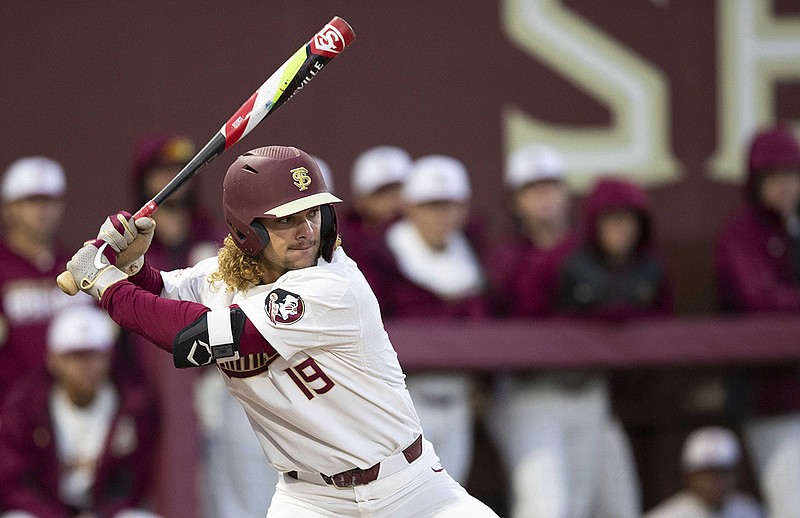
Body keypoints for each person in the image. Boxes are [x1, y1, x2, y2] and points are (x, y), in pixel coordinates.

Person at [63, 145, 499, 518]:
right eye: (285, 219)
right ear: (246, 231)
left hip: (408, 490)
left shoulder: (334, 284)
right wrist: (132, 266)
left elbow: (197, 336)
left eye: (312, 213)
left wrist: (103, 283)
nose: (306, 231)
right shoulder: (226, 275)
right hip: (310, 499)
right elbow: (162, 293)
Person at [495, 176, 672, 518]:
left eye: (629, 219)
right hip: (535, 391)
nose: (621, 228)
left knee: (577, 506)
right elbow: (519, 322)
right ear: (594, 223)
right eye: (611, 219)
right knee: (546, 507)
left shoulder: (648, 266)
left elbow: (663, 322)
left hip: (591, 390)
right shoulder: (562, 259)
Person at [130, 134, 274, 518]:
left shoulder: (219, 240)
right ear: (143, 178)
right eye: (163, 171)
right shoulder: (135, 247)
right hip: (149, 394)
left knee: (233, 500)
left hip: (221, 385)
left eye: (182, 170)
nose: (174, 179)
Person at [358, 155, 490, 486]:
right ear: (410, 207)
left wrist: (483, 382)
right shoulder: (382, 257)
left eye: (451, 205)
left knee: (448, 503)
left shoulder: (473, 253)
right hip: (404, 404)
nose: (442, 216)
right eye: (432, 205)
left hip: (458, 400)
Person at [0, 305, 160, 518]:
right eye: (75, 356)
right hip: (47, 512)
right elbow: (15, 481)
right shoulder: (26, 408)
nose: (85, 366)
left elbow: (136, 480)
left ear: (109, 357)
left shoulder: (131, 406)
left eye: (94, 355)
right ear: (53, 360)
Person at [714, 125, 800, 518]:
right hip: (769, 396)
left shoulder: (794, 228)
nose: (786, 187)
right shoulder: (741, 231)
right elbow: (759, 297)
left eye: (792, 176)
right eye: (775, 177)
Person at [0, 156, 83, 405]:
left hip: (75, 412)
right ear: (8, 209)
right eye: (30, 201)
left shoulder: (77, 265)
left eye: (49, 200)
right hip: (11, 415)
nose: (41, 210)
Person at [487, 144, 572, 316]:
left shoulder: (588, 249)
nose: (544, 193)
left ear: (565, 192)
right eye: (531, 187)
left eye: (551, 184)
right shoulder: (503, 259)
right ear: (513, 202)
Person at [644, 426, 763, 518]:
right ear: (688, 476)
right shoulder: (666, 515)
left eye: (723, 472)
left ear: (736, 474)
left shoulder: (752, 512)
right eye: (707, 473)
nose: (715, 481)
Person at [338, 145, 412, 266]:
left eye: (397, 191)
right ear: (360, 199)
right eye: (381, 193)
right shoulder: (341, 236)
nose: (391, 200)